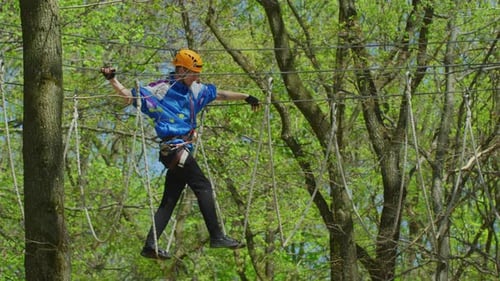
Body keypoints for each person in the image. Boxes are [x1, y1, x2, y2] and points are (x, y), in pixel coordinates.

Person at [101, 49, 260, 260]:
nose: (197, 76)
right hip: (173, 149)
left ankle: (150, 245)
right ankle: (217, 236)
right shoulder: (160, 90)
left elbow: (219, 94)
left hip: (180, 151)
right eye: (194, 72)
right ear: (181, 70)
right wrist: (113, 80)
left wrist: (246, 97)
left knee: (169, 200)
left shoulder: (196, 89)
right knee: (202, 186)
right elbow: (130, 97)